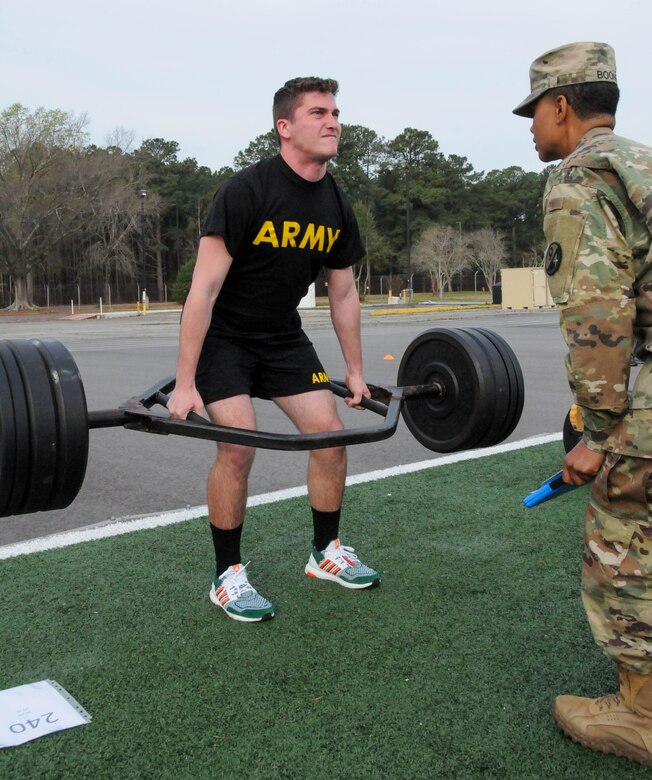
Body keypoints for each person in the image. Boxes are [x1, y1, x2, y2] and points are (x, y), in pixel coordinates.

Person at [167, 77, 381, 624]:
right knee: (237, 448)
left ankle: (325, 553)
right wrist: (185, 382)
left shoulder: (336, 201)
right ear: (285, 127)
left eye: (335, 111)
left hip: (283, 338)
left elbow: (344, 291)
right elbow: (204, 289)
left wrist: (355, 372)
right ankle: (227, 576)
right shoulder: (247, 190)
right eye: (318, 112)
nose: (333, 121)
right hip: (226, 338)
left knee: (330, 437)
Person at [514, 42, 652, 766]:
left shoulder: (580, 175)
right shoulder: (644, 162)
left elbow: (601, 317)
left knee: (623, 553)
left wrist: (598, 435)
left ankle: (642, 716)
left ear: (561, 106)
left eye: (533, 111)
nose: (530, 127)